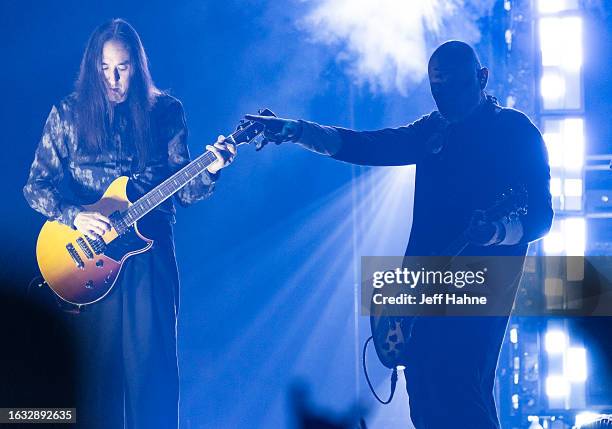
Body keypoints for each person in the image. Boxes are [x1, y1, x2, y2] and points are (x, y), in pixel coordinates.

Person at [246, 41, 554, 428]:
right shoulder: (433, 129)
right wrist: (296, 130)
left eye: (455, 86)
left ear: (482, 78)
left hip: (481, 285)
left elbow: (541, 217)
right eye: (436, 88)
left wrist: (497, 232)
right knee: (424, 394)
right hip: (421, 286)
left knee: (462, 390)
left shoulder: (516, 132)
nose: (445, 98)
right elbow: (369, 145)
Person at [23, 19, 235, 429]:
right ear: (92, 67)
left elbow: (186, 192)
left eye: (122, 68)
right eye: (104, 68)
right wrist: (74, 214)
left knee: (151, 376)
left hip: (148, 255)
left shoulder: (166, 113)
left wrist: (211, 169)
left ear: (137, 67)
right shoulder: (67, 114)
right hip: (85, 258)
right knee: (93, 382)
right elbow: (36, 187)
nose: (113, 78)